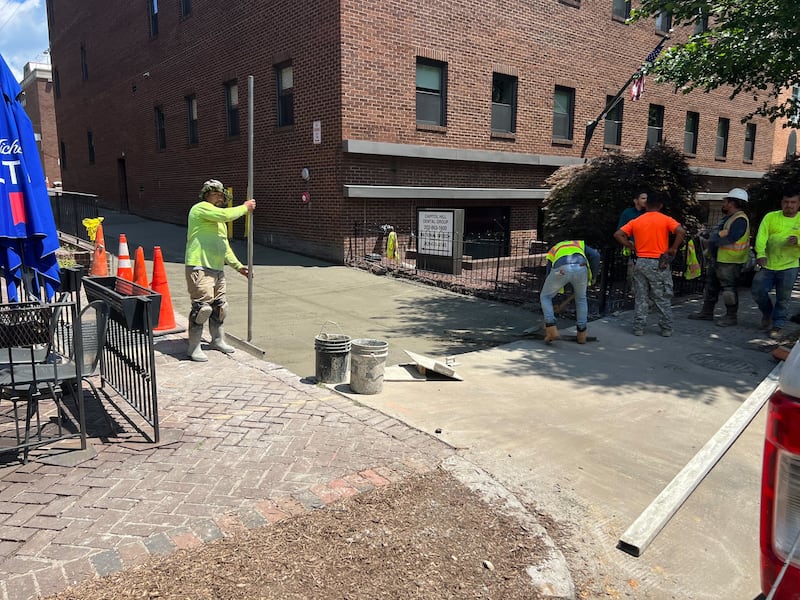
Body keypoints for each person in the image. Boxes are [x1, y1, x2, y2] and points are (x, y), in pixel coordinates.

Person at [185, 179, 256, 362]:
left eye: (220, 195)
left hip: (217, 268)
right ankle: (193, 347)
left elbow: (225, 247)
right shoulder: (200, 208)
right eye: (215, 194)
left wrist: (238, 266)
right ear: (206, 194)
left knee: (220, 307)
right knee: (202, 309)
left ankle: (217, 340)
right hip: (200, 266)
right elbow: (226, 215)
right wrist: (245, 207)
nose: (219, 197)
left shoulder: (219, 222)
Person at [613, 192, 686, 336]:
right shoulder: (665, 220)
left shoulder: (637, 221)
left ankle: (639, 327)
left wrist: (629, 245)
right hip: (659, 263)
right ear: (660, 205)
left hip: (640, 262)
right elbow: (681, 231)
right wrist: (673, 248)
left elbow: (618, 234)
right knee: (662, 297)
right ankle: (666, 328)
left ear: (646, 205)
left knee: (641, 297)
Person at [688, 188, 751, 326]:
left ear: (732, 203)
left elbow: (732, 237)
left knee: (729, 290)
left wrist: (712, 241)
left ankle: (731, 316)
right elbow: (723, 233)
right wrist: (711, 238)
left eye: (726, 201)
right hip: (720, 259)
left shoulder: (740, 219)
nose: (724, 204)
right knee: (711, 286)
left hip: (730, 261)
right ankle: (707, 312)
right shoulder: (730, 218)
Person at [751, 188, 800, 339]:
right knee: (757, 291)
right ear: (781, 202)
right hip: (768, 263)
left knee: (783, 298)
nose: (789, 205)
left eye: (793, 202)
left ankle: (777, 325)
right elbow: (761, 236)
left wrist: (798, 241)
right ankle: (767, 313)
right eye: (786, 202)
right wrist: (761, 254)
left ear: (798, 204)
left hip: (789, 265)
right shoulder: (771, 217)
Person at [540, 240, 601, 344]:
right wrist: (594, 277)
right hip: (581, 267)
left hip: (561, 270)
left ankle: (551, 328)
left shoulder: (554, 249)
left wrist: (554, 298)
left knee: (545, 296)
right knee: (581, 299)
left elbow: (549, 273)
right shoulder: (579, 244)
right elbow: (596, 255)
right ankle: (582, 335)